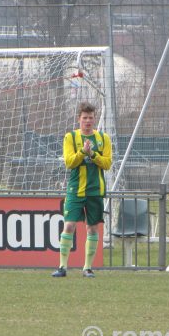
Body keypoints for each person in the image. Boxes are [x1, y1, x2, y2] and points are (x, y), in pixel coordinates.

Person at [52, 102, 112, 278]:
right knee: (69, 225)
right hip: (75, 189)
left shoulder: (103, 138)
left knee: (92, 229)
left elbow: (107, 164)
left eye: (91, 118)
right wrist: (83, 153)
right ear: (79, 119)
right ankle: (62, 267)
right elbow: (69, 162)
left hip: (95, 190)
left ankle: (87, 268)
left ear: (94, 119)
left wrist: (93, 154)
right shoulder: (70, 137)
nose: (88, 121)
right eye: (84, 118)